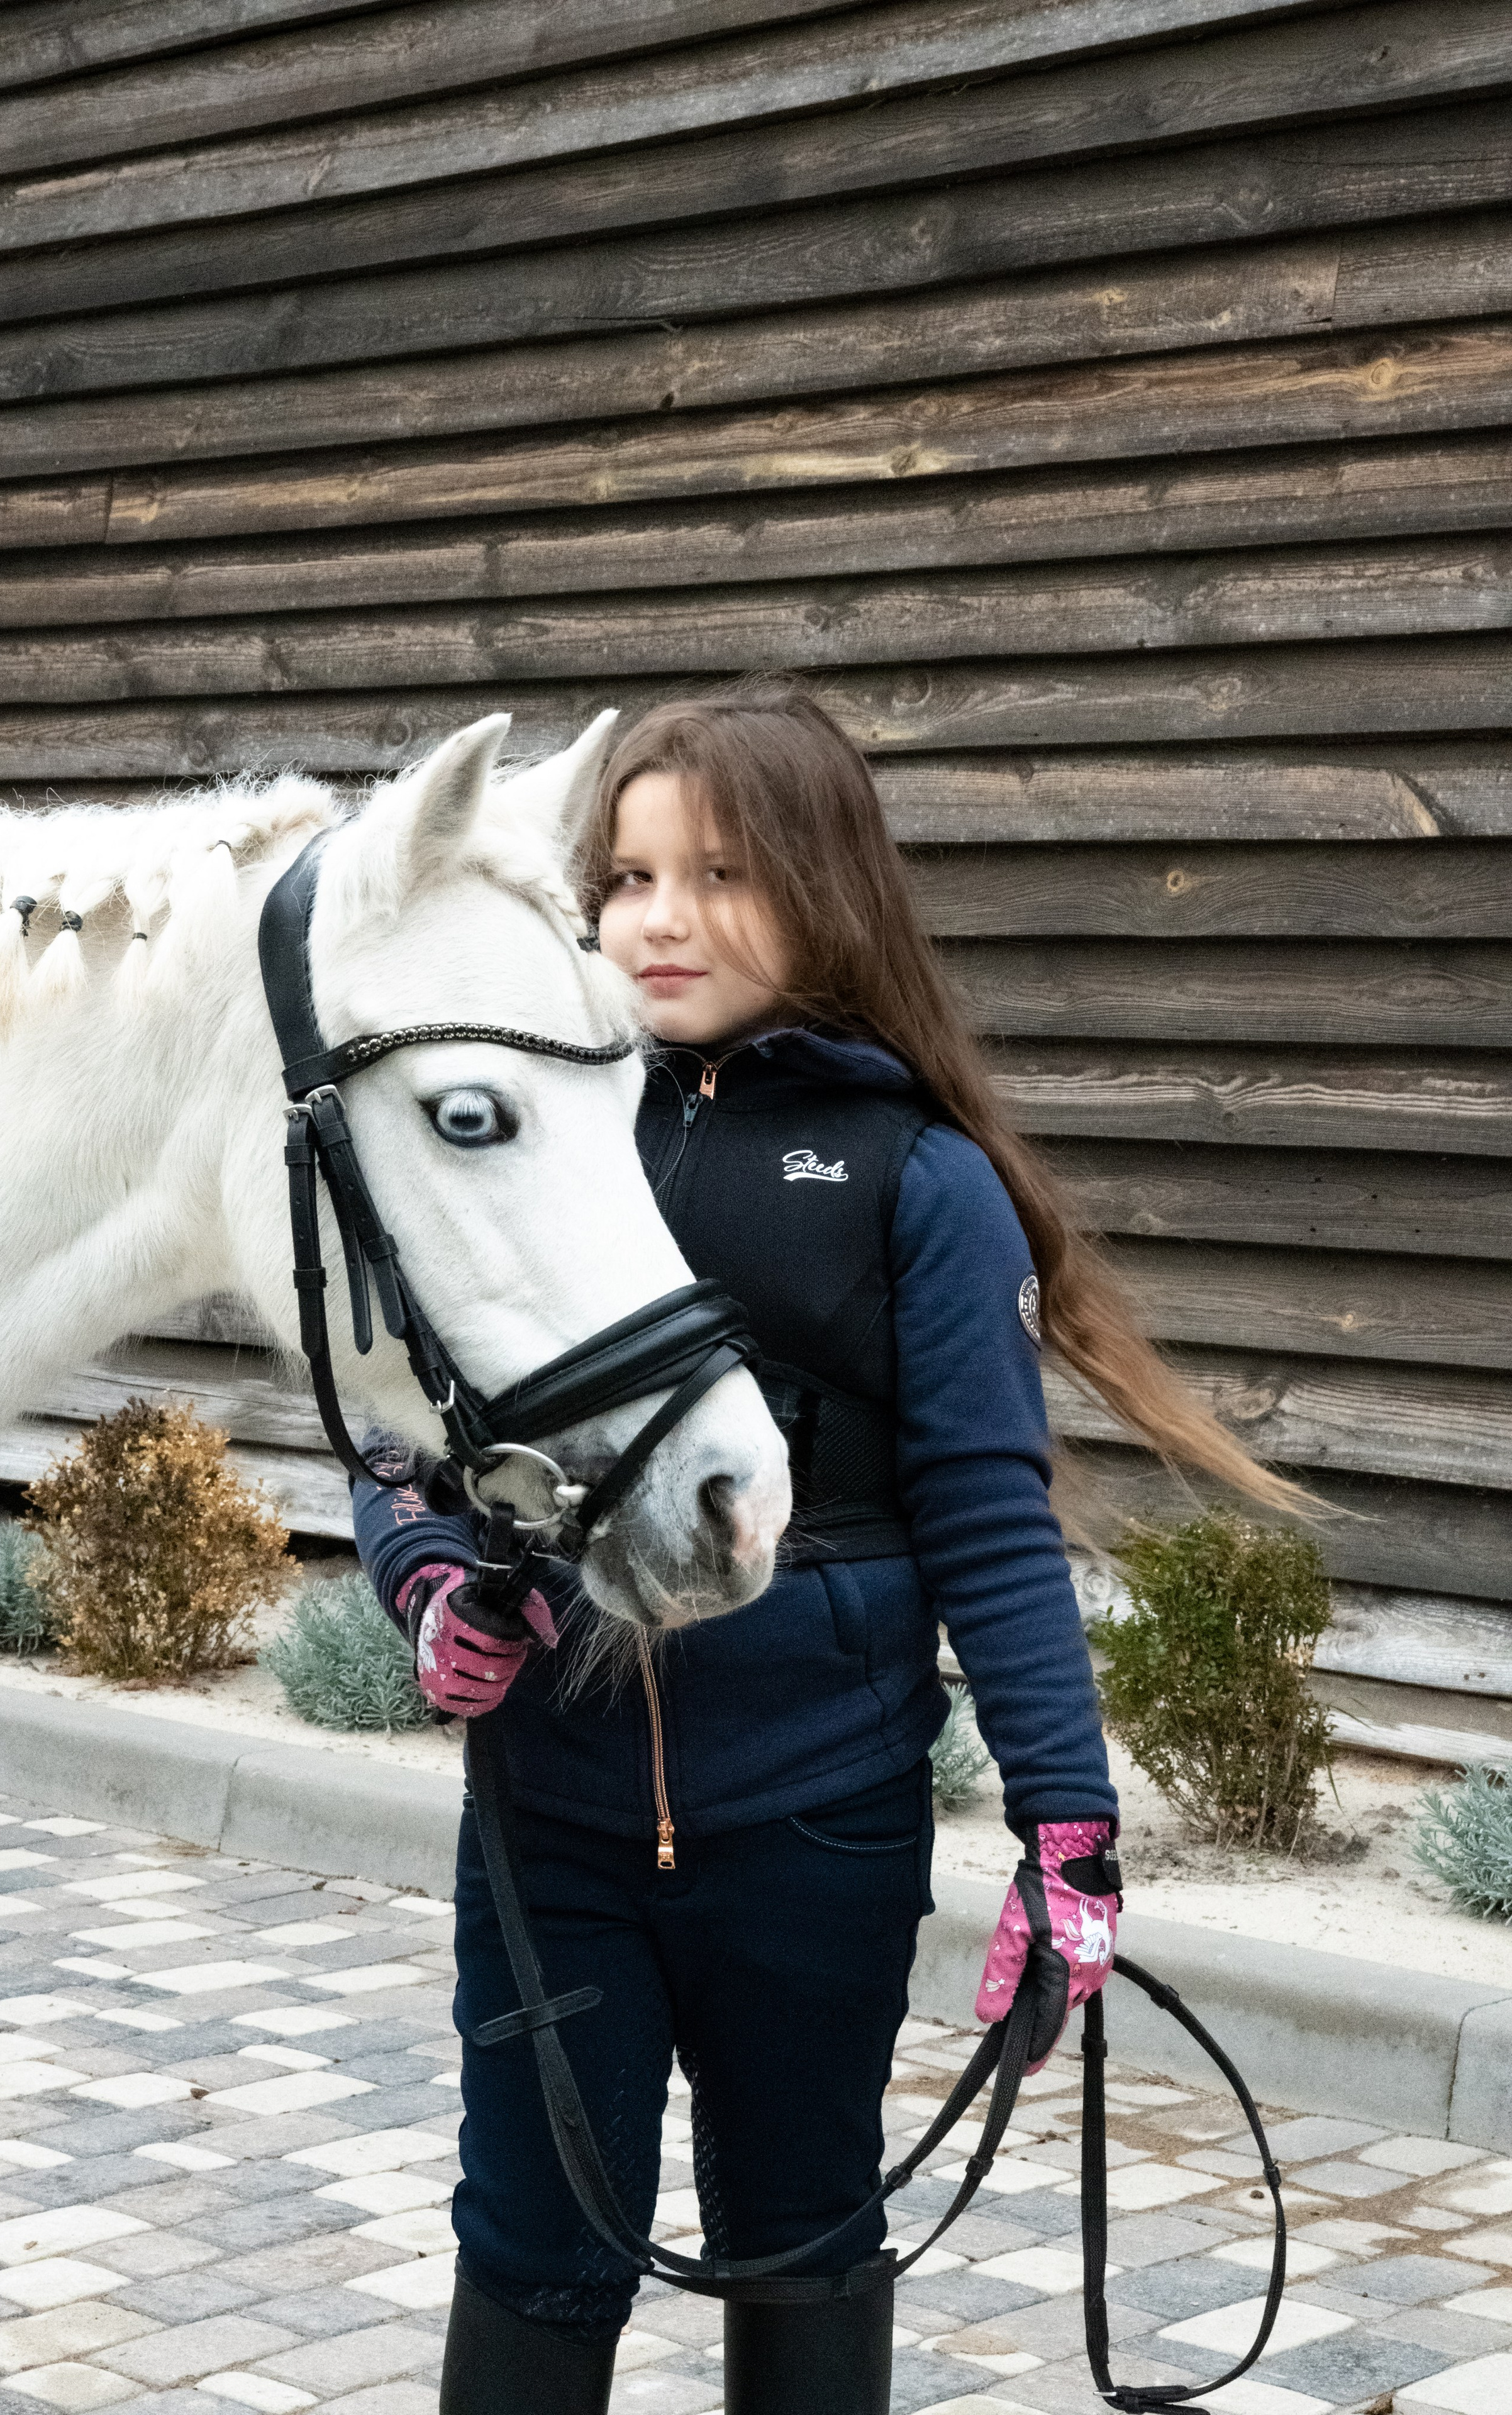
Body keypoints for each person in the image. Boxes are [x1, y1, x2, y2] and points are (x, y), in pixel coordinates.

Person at [352, 691, 1300, 2414]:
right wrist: (420, 1578)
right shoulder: (546, 1130)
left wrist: (1069, 1834)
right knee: (536, 2241)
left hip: (816, 1824)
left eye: (718, 872)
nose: (659, 916)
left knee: (801, 2230)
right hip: (548, 1829)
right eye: (625, 876)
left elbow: (993, 1526)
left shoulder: (916, 1181)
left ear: (826, 891)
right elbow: (407, 1434)